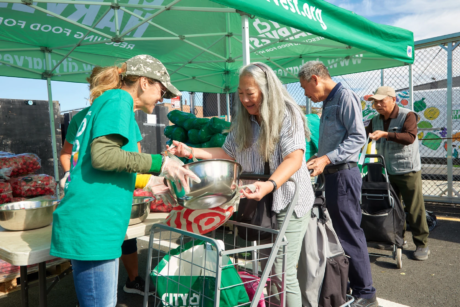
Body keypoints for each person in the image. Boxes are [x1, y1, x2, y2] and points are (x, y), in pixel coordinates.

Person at [51, 55, 200, 307]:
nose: (162, 98)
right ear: (144, 82)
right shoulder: (118, 99)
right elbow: (104, 156)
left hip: (95, 222)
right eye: (161, 90)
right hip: (94, 225)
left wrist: (148, 183)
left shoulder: (112, 103)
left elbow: (109, 164)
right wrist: (161, 164)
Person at [169, 62, 315, 307]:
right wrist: (190, 150)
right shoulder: (245, 119)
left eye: (251, 93)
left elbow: (294, 158)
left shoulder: (287, 113)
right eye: (240, 94)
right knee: (266, 266)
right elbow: (228, 154)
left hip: (288, 199)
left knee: (281, 271)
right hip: (259, 201)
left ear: (267, 90)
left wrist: (269, 185)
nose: (245, 100)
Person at [59, 67, 151, 296]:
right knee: (97, 292)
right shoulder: (114, 104)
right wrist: (73, 176)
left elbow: (133, 160)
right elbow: (99, 157)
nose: (161, 97)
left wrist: (147, 181)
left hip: (106, 207)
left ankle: (131, 279)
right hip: (96, 211)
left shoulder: (120, 109)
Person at [299, 61, 378, 307]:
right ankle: (353, 287)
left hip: (344, 175)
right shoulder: (329, 102)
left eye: (304, 88)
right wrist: (319, 157)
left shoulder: (345, 96)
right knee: (340, 234)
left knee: (348, 233)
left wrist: (327, 158)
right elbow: (337, 140)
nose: (305, 94)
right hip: (333, 174)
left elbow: (358, 137)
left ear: (315, 79)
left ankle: (366, 293)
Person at [366, 86, 429, 261]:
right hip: (385, 170)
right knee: (392, 207)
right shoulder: (375, 119)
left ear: (393, 99)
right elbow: (364, 136)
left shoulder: (407, 115)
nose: (378, 104)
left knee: (414, 208)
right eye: (375, 102)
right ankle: (397, 239)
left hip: (407, 169)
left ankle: (421, 243)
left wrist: (386, 134)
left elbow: (410, 137)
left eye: (381, 101)